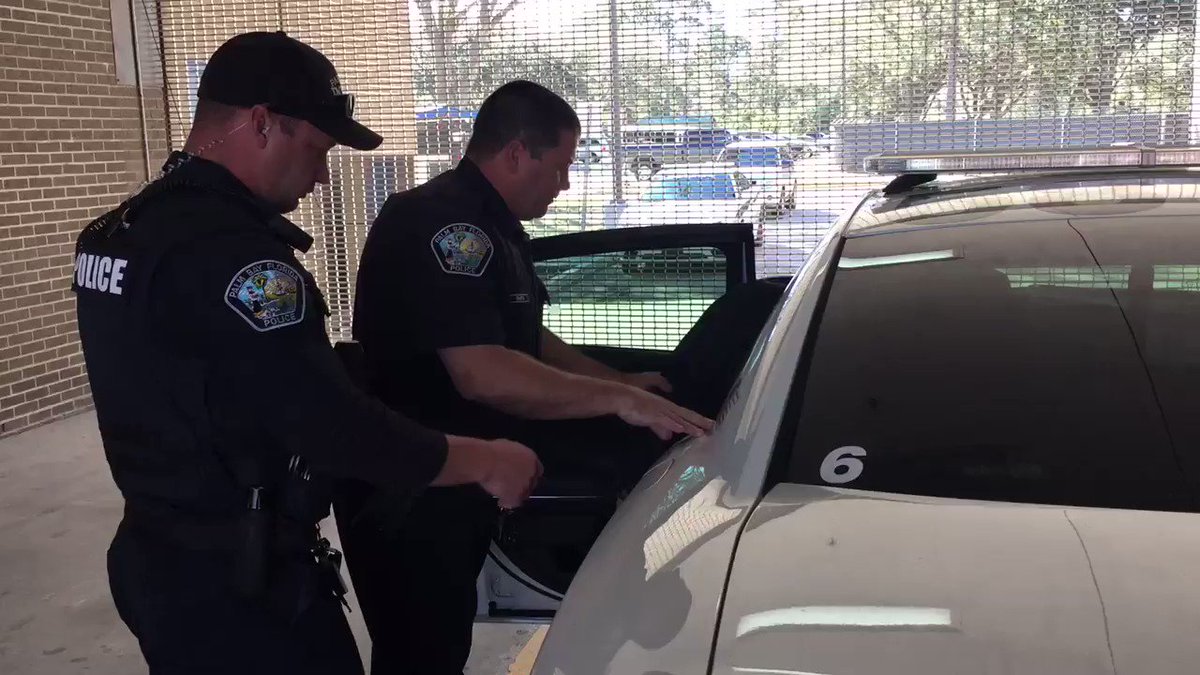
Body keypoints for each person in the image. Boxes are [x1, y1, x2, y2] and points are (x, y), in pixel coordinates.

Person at [72, 33, 541, 675]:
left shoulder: (120, 232)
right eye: (317, 149)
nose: (321, 176)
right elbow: (330, 427)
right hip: (242, 587)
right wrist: (485, 460)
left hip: (159, 557)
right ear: (263, 123)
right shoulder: (240, 261)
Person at [334, 80, 714, 675]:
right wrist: (615, 399)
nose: (565, 184)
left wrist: (621, 382)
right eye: (560, 166)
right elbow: (484, 375)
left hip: (460, 467)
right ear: (516, 153)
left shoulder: (493, 224)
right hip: (414, 480)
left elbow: (527, 338)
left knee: (440, 642)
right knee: (421, 651)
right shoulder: (446, 227)